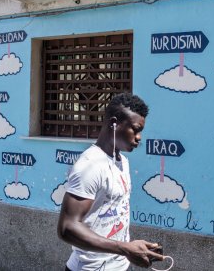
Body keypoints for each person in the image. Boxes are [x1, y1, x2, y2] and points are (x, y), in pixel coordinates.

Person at [58, 93, 164, 271]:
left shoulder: (123, 161)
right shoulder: (90, 166)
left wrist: (130, 249)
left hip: (120, 266)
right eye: (135, 129)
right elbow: (67, 227)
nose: (139, 138)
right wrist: (124, 248)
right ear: (114, 123)